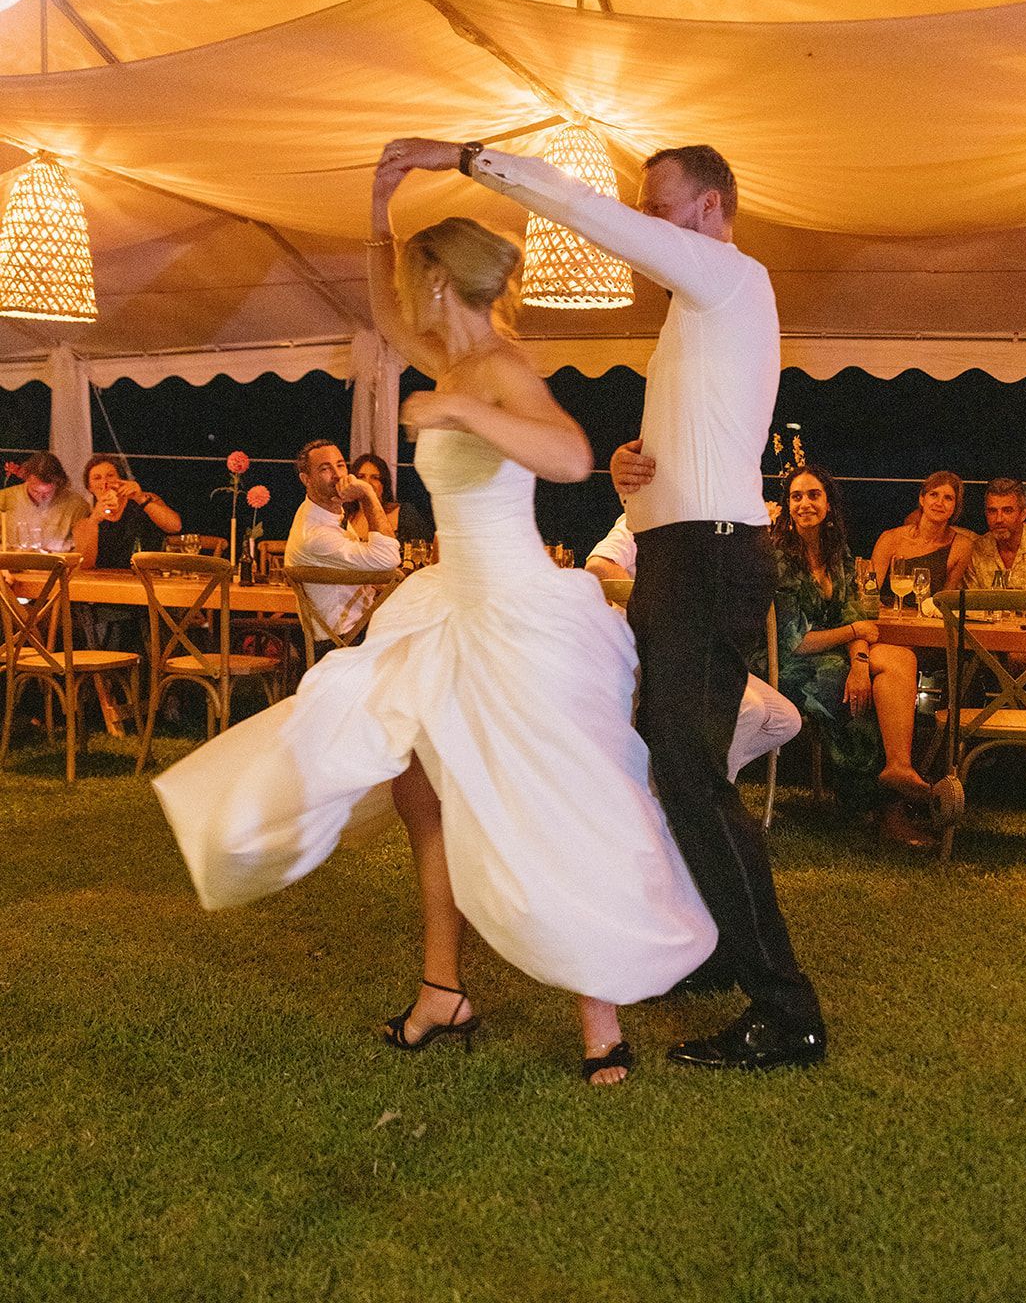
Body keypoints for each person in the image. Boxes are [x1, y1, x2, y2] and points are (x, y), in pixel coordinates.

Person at [154, 156, 715, 1086]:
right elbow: (382, 312)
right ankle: (442, 989)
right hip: (449, 605)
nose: (408, 297)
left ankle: (598, 1022)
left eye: (419, 278)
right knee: (421, 796)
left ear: (444, 283)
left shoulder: (492, 368)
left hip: (514, 615)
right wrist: (379, 207)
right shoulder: (448, 354)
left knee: (555, 797)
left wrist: (460, 408)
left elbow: (571, 457)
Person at [381, 135, 823, 1074]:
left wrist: (466, 158)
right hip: (679, 550)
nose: (647, 225)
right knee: (676, 760)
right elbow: (702, 447)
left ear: (709, 207)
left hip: (709, 559)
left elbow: (594, 217)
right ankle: (710, 949)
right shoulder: (697, 317)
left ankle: (787, 1013)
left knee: (691, 774)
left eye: (659, 208)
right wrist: (634, 477)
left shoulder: (727, 275)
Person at [772, 466, 964, 845]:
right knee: (862, 706)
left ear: (828, 503)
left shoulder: (836, 552)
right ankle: (884, 814)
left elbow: (852, 612)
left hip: (831, 651)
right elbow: (794, 641)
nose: (805, 503)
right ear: (787, 506)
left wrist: (860, 660)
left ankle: (898, 766)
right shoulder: (780, 556)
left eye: (814, 495)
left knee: (900, 658)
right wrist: (855, 635)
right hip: (783, 662)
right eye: (797, 496)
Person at [585, 512, 802, 783]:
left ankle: (688, 788)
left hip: (699, 652)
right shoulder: (645, 517)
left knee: (785, 721)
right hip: (649, 647)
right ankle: (697, 802)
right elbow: (598, 565)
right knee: (749, 710)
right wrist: (663, 610)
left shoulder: (719, 531)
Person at [285, 440, 401, 656]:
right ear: (306, 479)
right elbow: (390, 558)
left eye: (340, 465)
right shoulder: (316, 534)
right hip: (344, 640)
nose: (338, 475)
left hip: (359, 628)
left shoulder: (324, 511)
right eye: (325, 469)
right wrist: (368, 495)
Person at [870, 471, 973, 603]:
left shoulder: (962, 546)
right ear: (922, 499)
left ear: (955, 506)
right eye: (933, 495)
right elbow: (869, 594)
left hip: (928, 620)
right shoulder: (890, 538)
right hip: (886, 617)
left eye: (948, 498)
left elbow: (945, 601)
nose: (939, 503)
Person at [72, 454, 182, 569]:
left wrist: (140, 498)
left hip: (149, 577)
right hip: (108, 582)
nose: (105, 482)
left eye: (110, 475)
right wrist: (94, 519)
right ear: (89, 487)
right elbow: (84, 565)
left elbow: (175, 526)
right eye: (97, 478)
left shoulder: (145, 500)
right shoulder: (85, 521)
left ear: (121, 479)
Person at [0, 450, 88, 549]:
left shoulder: (76, 505)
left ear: (58, 484)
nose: (41, 497)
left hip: (58, 563)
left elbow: (82, 550)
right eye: (35, 491)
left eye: (48, 492)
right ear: (26, 480)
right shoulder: (4, 499)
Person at [348, 451, 432, 545]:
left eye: (375, 478)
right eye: (361, 477)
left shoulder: (404, 513)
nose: (367, 483)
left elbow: (425, 549)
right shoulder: (345, 517)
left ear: (384, 484)